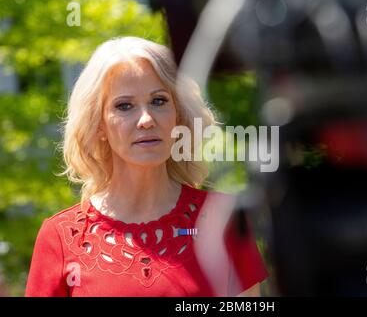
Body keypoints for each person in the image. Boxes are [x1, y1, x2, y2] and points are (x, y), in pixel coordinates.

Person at [25, 36, 269, 297]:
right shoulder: (59, 238)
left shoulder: (223, 220)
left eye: (159, 101)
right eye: (124, 106)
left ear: (179, 114)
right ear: (99, 126)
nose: (146, 119)